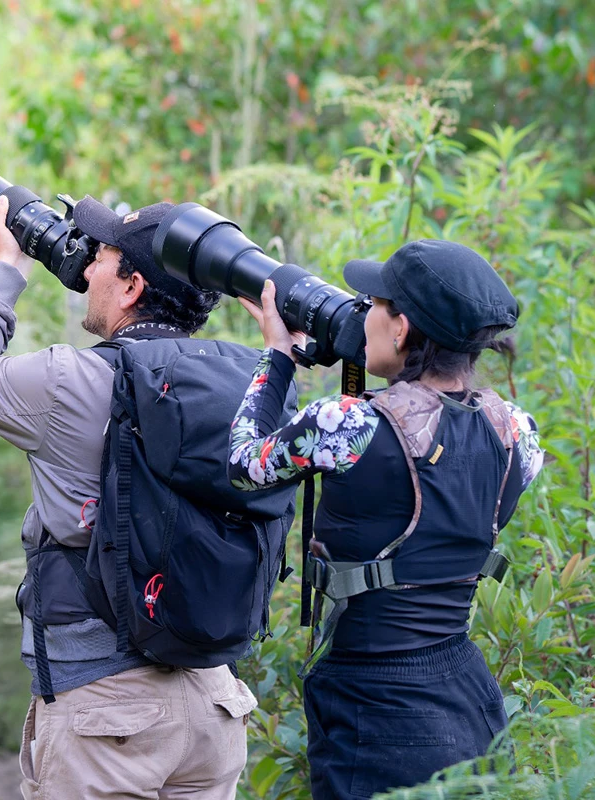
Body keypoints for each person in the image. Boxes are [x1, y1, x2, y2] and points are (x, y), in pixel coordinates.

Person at [0, 194, 258, 800]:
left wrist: (10, 267)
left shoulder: (67, 379)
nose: (85, 270)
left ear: (131, 287)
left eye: (101, 256)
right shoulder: (250, 382)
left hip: (106, 711)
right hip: (214, 702)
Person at [227, 239, 544, 799]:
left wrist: (278, 356)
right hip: (468, 694)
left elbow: (244, 464)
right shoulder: (516, 431)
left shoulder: (346, 424)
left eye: (373, 302)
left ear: (400, 329)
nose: (361, 314)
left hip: (376, 704)